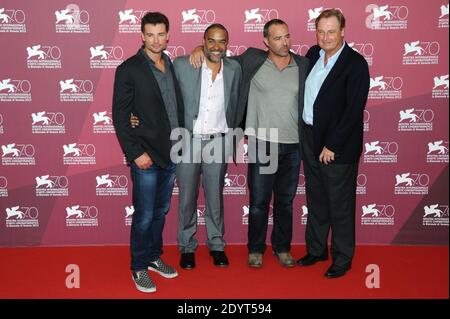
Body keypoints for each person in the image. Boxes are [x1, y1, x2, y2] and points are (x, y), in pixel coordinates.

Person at [190, 19, 308, 268]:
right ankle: (255, 249)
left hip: (294, 145)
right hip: (263, 143)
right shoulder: (252, 60)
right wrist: (199, 49)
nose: (284, 42)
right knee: (259, 202)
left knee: (285, 201)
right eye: (277, 38)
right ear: (266, 41)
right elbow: (219, 57)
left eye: (286, 36)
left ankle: (282, 247)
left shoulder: (302, 65)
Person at [132, 24, 241, 270]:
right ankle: (187, 246)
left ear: (227, 44)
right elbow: (157, 87)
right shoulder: (182, 64)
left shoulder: (235, 68)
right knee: (187, 199)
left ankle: (216, 244)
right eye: (210, 41)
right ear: (203, 41)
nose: (216, 46)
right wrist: (135, 115)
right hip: (188, 140)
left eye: (221, 41)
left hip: (219, 141)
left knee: (215, 198)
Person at [112, 12, 184, 293]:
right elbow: (120, 115)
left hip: (171, 152)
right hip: (145, 155)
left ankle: (154, 256)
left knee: (160, 211)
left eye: (161, 34)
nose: (156, 40)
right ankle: (139, 266)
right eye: (150, 34)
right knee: (144, 214)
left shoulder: (169, 63)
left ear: (168, 36)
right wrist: (135, 153)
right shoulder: (129, 69)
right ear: (142, 36)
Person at [296, 9, 370, 278]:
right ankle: (317, 250)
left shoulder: (355, 63)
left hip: (336, 146)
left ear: (342, 32)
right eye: (320, 31)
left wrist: (332, 145)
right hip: (310, 137)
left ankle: (342, 257)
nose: (325, 37)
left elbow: (353, 110)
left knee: (339, 204)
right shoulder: (313, 55)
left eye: (331, 31)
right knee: (316, 199)